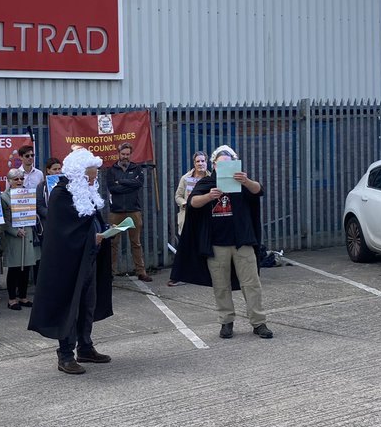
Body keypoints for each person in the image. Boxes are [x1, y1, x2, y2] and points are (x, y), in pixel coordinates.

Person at [171, 145, 273, 340]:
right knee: (221, 285)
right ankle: (226, 322)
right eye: (220, 163)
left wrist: (246, 180)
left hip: (242, 241)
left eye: (228, 163)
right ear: (214, 165)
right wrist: (210, 196)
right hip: (217, 244)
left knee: (251, 283)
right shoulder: (208, 182)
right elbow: (192, 202)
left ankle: (258, 322)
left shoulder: (242, 182)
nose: (223, 167)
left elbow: (259, 190)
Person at [28, 148, 114, 375]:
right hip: (68, 263)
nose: (94, 180)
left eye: (95, 176)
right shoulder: (61, 194)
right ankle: (65, 354)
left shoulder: (84, 190)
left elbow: (90, 220)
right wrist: (91, 236)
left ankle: (85, 347)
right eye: (91, 176)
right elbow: (64, 231)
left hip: (89, 259)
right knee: (70, 307)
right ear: (78, 174)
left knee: (88, 305)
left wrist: (104, 230)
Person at [104, 141, 151, 281]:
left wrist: (121, 182)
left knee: (136, 242)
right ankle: (110, 272)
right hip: (116, 212)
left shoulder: (136, 168)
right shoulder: (111, 170)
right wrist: (128, 183)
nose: (125, 156)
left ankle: (141, 271)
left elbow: (139, 184)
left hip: (133, 210)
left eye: (127, 154)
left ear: (131, 154)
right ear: (118, 154)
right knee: (113, 243)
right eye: (123, 154)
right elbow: (112, 188)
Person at [0, 168, 38, 309]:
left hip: (27, 233)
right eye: (16, 179)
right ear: (9, 181)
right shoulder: (4, 197)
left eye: (21, 178)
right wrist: (15, 232)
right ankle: (12, 299)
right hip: (14, 236)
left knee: (26, 268)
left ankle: (23, 296)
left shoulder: (28, 194)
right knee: (15, 268)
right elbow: (3, 220)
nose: (19, 181)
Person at [169, 151, 208, 286]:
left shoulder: (211, 177)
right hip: (187, 216)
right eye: (198, 161)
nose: (200, 164)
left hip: (204, 216)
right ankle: (180, 275)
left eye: (203, 161)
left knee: (204, 244)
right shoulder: (185, 178)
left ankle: (203, 274)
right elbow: (178, 196)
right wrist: (185, 203)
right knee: (185, 246)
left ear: (206, 162)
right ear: (194, 163)